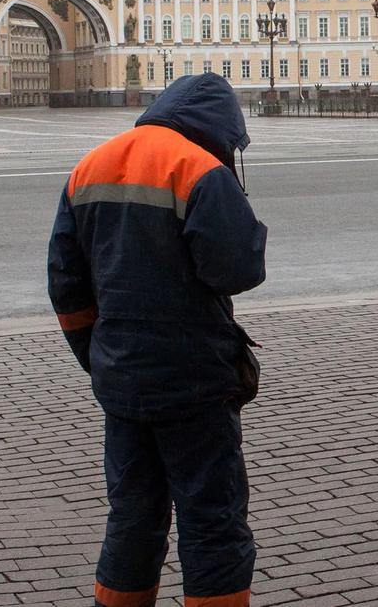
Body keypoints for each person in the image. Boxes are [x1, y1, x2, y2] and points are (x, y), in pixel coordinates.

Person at [47, 73, 267, 607]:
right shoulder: (200, 169)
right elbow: (237, 269)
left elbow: (65, 282)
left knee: (132, 516)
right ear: (221, 128)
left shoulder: (91, 165)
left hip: (121, 382)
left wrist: (98, 357)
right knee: (211, 519)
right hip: (194, 383)